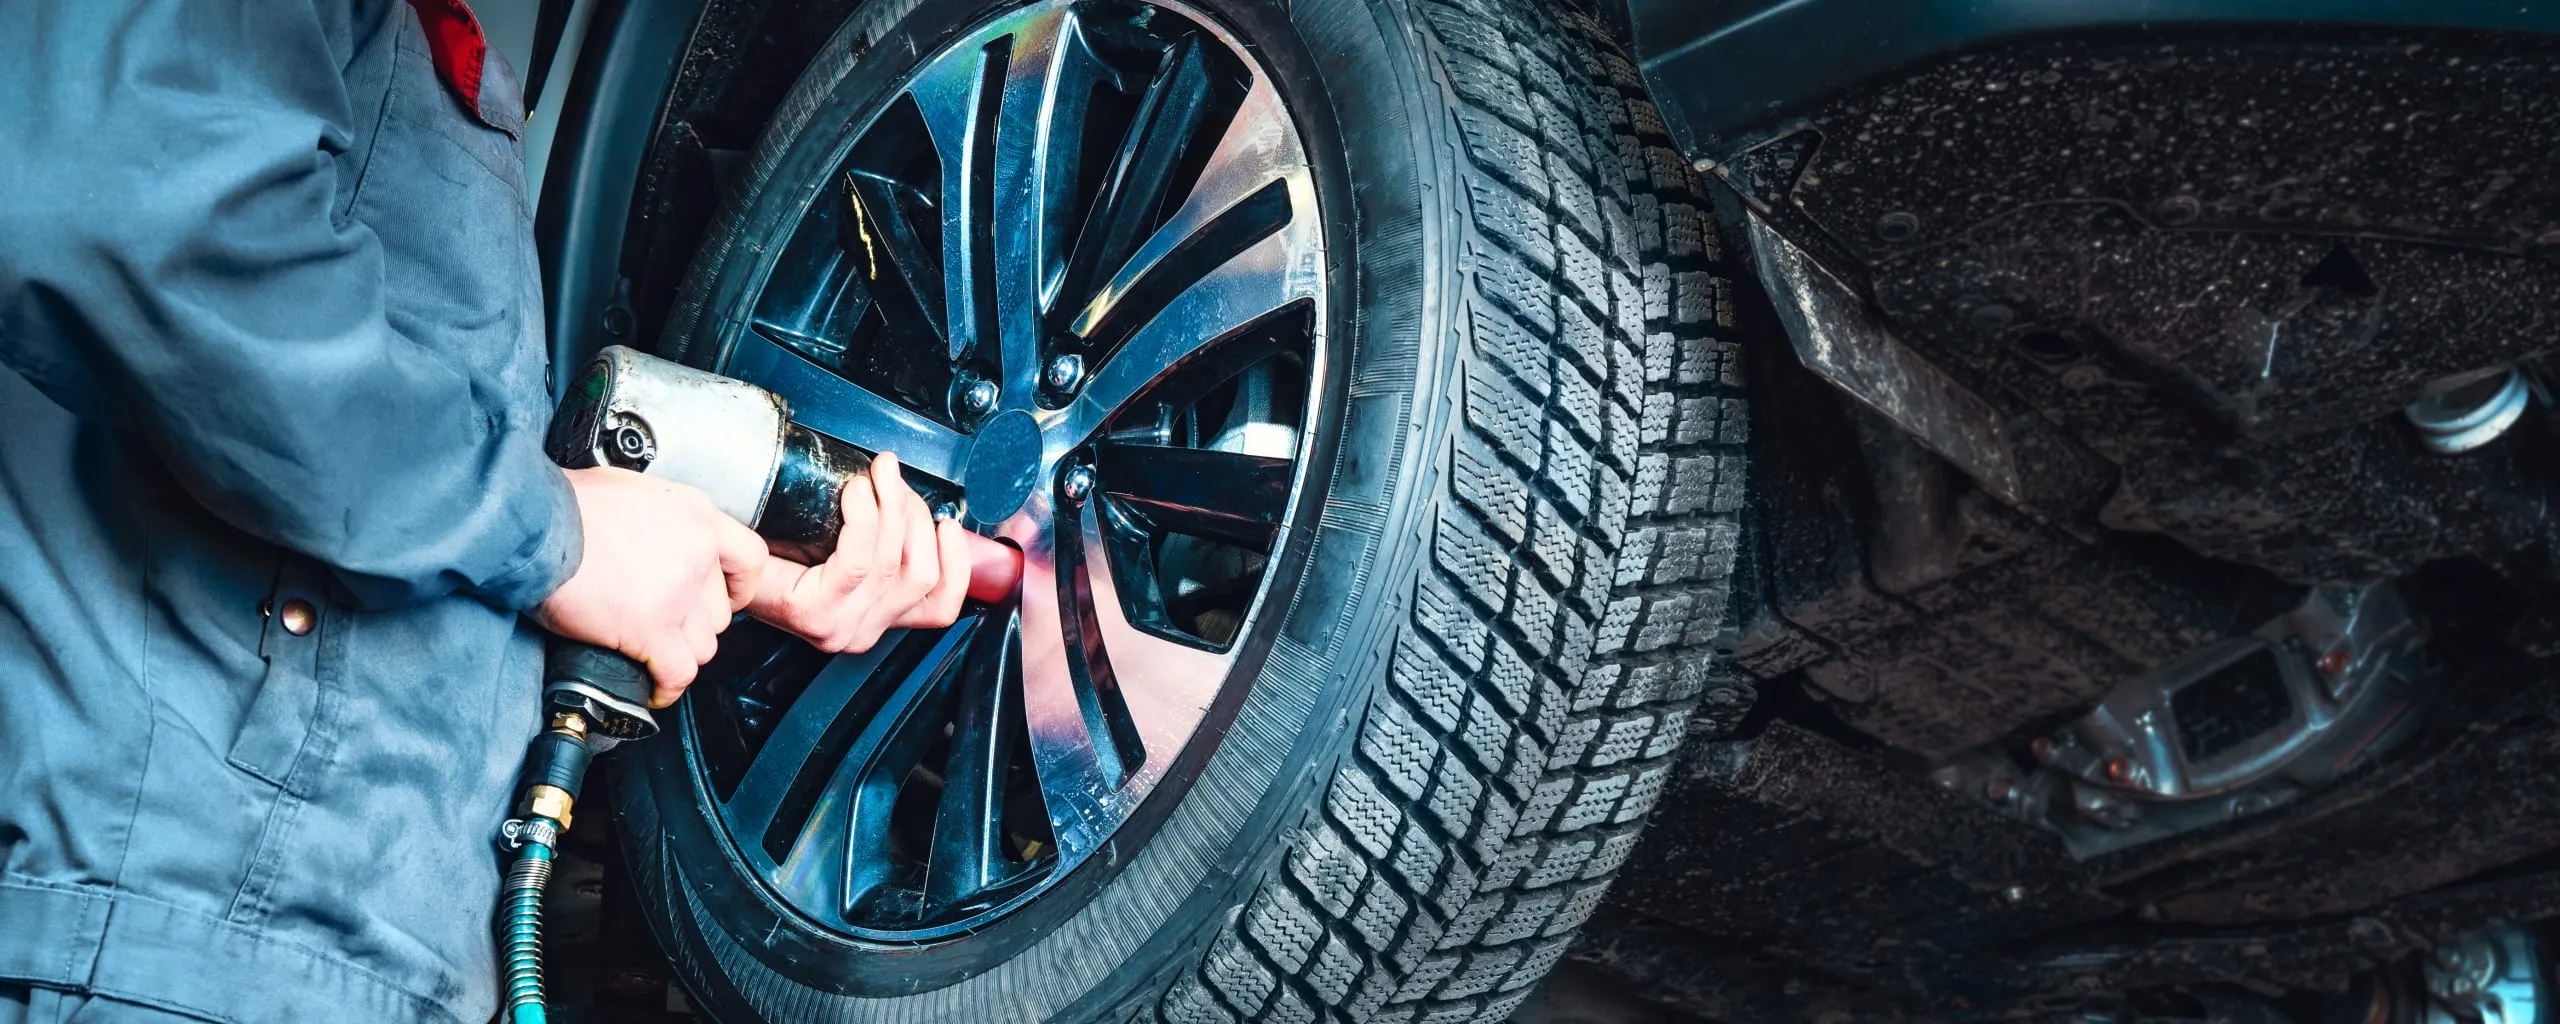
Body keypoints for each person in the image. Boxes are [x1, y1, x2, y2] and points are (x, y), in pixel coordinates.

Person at [0, 1, 969, 1020]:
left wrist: (721, 569)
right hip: (175, 939)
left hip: (337, 953)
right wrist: (552, 536)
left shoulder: (425, 81)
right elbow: (127, 204)